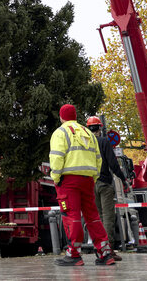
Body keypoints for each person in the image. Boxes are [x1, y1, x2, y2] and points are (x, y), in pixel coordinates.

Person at [49, 104, 116, 266]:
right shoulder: (88, 133)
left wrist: (56, 177)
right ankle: (105, 253)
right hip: (88, 180)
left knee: (71, 216)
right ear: (75, 116)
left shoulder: (60, 132)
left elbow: (57, 157)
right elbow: (98, 159)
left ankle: (74, 254)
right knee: (93, 216)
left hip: (68, 181)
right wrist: (93, 177)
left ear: (61, 117)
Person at [86, 116, 131, 260]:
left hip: (90, 184)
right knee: (108, 217)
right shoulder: (104, 142)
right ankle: (108, 249)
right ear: (100, 128)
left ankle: (98, 247)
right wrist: (124, 179)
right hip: (104, 183)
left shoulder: (84, 144)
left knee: (97, 217)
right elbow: (113, 163)